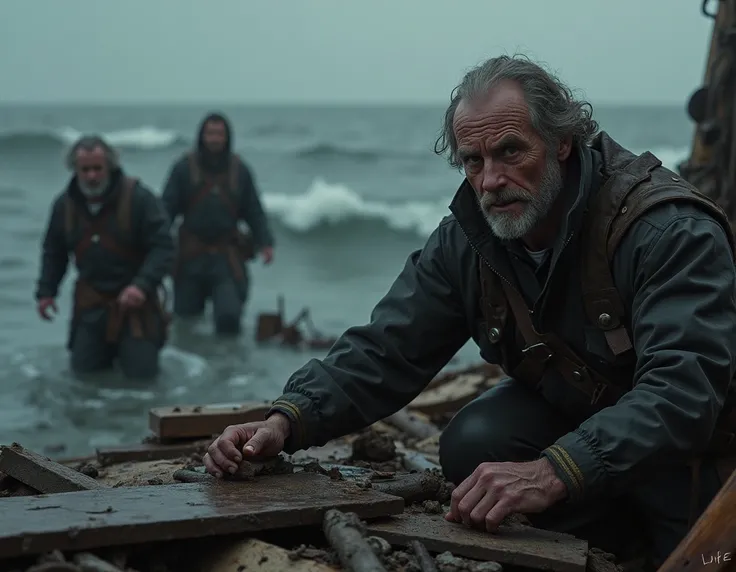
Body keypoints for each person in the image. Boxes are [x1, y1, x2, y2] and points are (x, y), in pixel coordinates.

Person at [202, 55, 736, 567]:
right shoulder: (470, 241)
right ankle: (615, 539)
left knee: (699, 555)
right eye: (473, 161)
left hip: (694, 450)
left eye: (510, 152)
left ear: (563, 142)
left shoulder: (666, 230)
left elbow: (682, 393)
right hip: (593, 431)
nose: (490, 181)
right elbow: (388, 346)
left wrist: (553, 472)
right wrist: (285, 420)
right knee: (475, 441)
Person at [35, 135, 174, 380]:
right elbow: (54, 252)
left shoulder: (139, 199)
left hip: (137, 309)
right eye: (85, 169)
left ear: (109, 166)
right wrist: (46, 292)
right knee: (84, 379)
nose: (91, 176)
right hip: (90, 306)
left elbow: (163, 246)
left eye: (97, 168)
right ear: (75, 169)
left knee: (142, 382)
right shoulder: (64, 206)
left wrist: (142, 285)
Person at [160, 112, 275, 335]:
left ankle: (229, 367)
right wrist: (155, 245)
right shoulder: (183, 168)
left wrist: (266, 243)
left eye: (219, 134)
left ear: (227, 137)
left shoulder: (240, 170)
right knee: (185, 322)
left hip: (227, 257)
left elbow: (254, 210)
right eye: (210, 133)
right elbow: (166, 210)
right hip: (190, 257)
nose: (214, 139)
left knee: (229, 318)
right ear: (201, 136)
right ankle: (193, 367)